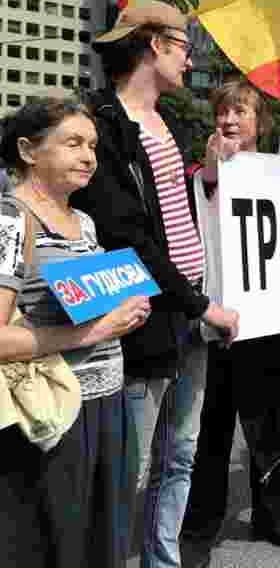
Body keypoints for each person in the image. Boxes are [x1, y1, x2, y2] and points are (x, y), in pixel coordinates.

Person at [72, 1, 239, 568]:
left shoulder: (168, 123)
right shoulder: (104, 128)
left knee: (181, 455)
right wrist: (202, 306)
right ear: (154, 45)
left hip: (189, 311)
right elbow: (131, 238)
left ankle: (162, 560)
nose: (189, 62)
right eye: (184, 47)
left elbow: (177, 214)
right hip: (148, 322)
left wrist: (209, 177)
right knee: (133, 467)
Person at [0, 100, 151, 568]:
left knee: (102, 546)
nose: (89, 156)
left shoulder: (84, 221)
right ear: (28, 150)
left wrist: (127, 306)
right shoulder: (11, 219)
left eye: (92, 146)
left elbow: (92, 305)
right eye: (73, 143)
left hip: (107, 407)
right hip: (51, 417)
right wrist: (94, 331)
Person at [181, 81, 280, 553]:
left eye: (240, 112)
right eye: (223, 111)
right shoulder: (202, 176)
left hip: (272, 327)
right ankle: (201, 525)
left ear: (262, 122)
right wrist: (215, 167)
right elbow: (202, 199)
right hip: (219, 325)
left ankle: (270, 513)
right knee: (210, 433)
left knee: (273, 426)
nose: (230, 120)